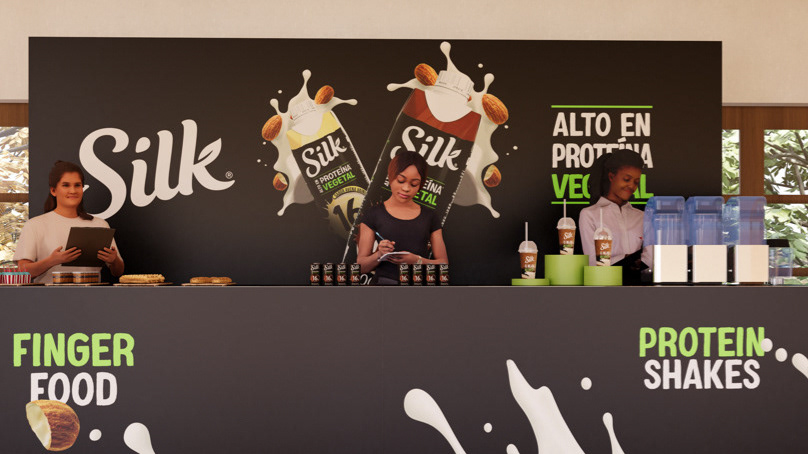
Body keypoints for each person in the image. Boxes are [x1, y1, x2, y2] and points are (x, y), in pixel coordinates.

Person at [14, 161, 124, 283]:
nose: (73, 190)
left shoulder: (100, 224)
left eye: (77, 185)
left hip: (91, 293)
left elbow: (118, 271)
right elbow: (22, 271)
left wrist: (114, 260)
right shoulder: (34, 225)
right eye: (66, 185)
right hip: (47, 294)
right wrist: (51, 261)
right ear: (53, 190)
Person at [357, 151, 448, 285]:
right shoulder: (373, 214)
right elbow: (361, 267)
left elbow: (443, 265)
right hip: (383, 289)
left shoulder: (430, 216)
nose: (406, 188)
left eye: (414, 184)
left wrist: (417, 261)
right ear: (390, 177)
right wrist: (379, 254)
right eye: (401, 180)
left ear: (421, 184)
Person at [579, 149, 650, 278]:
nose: (631, 186)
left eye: (636, 182)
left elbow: (650, 258)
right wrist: (625, 259)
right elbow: (592, 262)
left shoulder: (642, 216)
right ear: (611, 177)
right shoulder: (589, 215)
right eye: (627, 179)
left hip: (638, 285)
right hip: (604, 284)